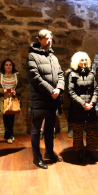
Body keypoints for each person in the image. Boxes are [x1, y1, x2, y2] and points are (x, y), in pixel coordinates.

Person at [26, 29, 64, 169]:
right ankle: (37, 157)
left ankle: (49, 153)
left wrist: (59, 89)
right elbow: (35, 77)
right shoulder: (32, 56)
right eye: (47, 38)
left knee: (49, 129)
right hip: (40, 99)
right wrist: (51, 91)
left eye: (51, 38)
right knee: (36, 130)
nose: (49, 40)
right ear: (39, 40)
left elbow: (60, 74)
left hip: (53, 99)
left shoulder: (53, 57)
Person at [67, 52, 98, 162]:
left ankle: (91, 151)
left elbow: (96, 90)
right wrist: (82, 103)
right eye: (82, 60)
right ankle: (78, 151)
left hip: (90, 106)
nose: (84, 62)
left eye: (86, 60)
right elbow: (70, 92)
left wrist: (92, 103)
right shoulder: (72, 74)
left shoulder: (92, 74)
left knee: (92, 130)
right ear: (77, 62)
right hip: (78, 107)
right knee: (78, 131)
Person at [0, 59, 24, 144]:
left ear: (12, 66)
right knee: (6, 118)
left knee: (11, 117)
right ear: (4, 66)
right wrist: (3, 91)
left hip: (14, 99)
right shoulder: (0, 76)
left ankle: (9, 135)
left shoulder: (17, 75)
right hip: (3, 99)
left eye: (10, 65)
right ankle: (9, 135)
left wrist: (16, 92)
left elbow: (22, 86)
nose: (8, 66)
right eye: (6, 65)